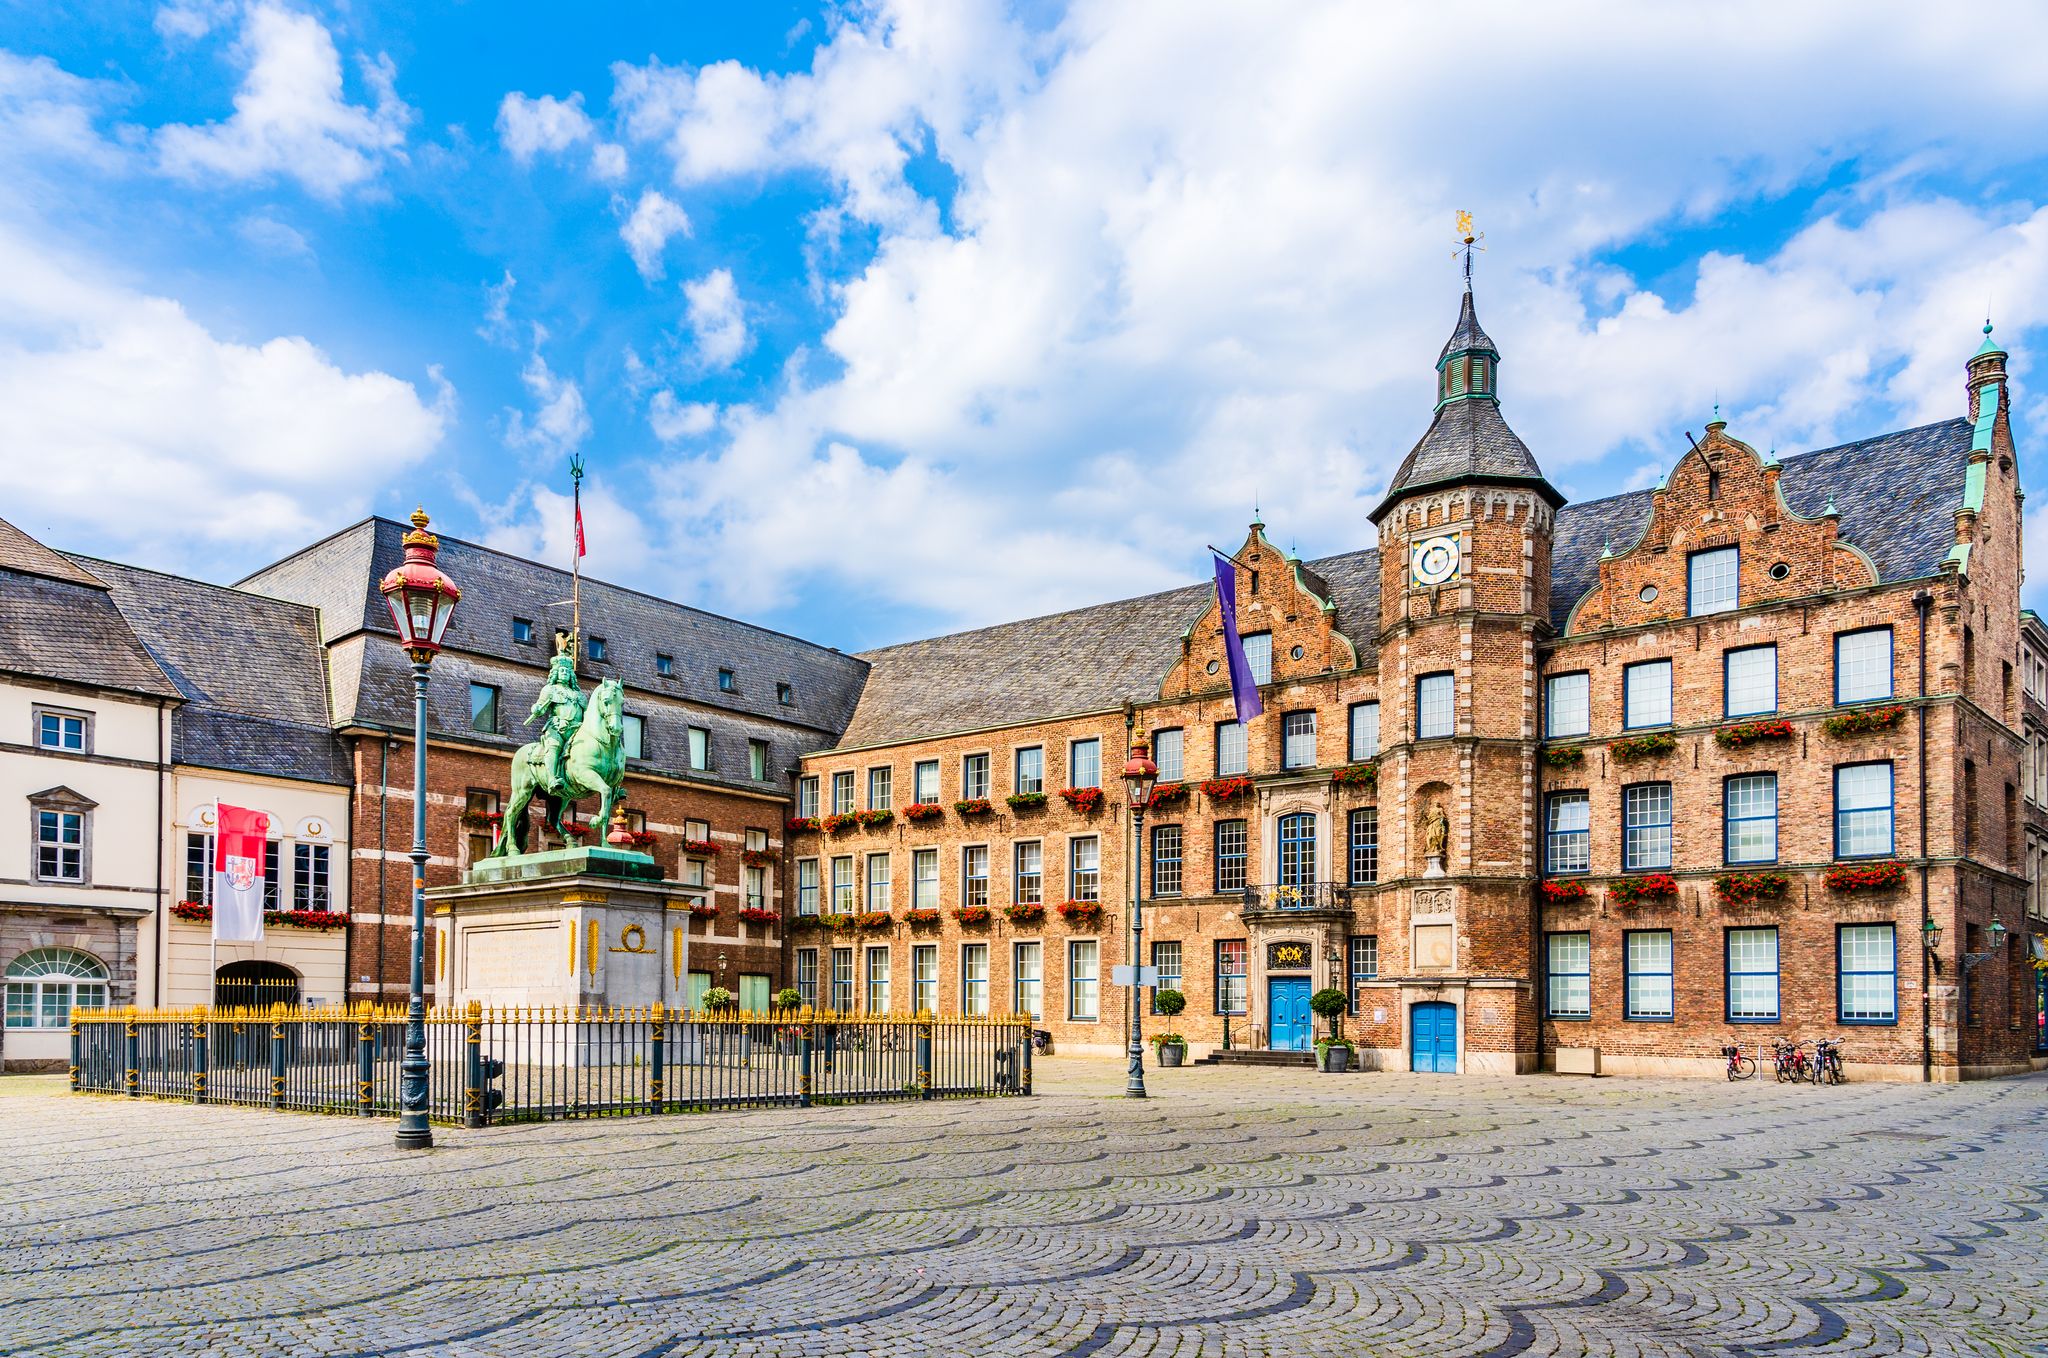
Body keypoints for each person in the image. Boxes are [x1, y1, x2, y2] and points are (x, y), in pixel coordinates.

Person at [529, 634, 587, 794]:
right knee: (553, 747)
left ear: (571, 674)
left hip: (577, 730)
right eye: (561, 670)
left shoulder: (580, 695)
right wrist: (536, 709)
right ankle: (552, 778)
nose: (564, 673)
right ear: (555, 672)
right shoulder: (550, 690)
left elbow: (587, 716)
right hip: (558, 728)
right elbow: (540, 707)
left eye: (567, 671)